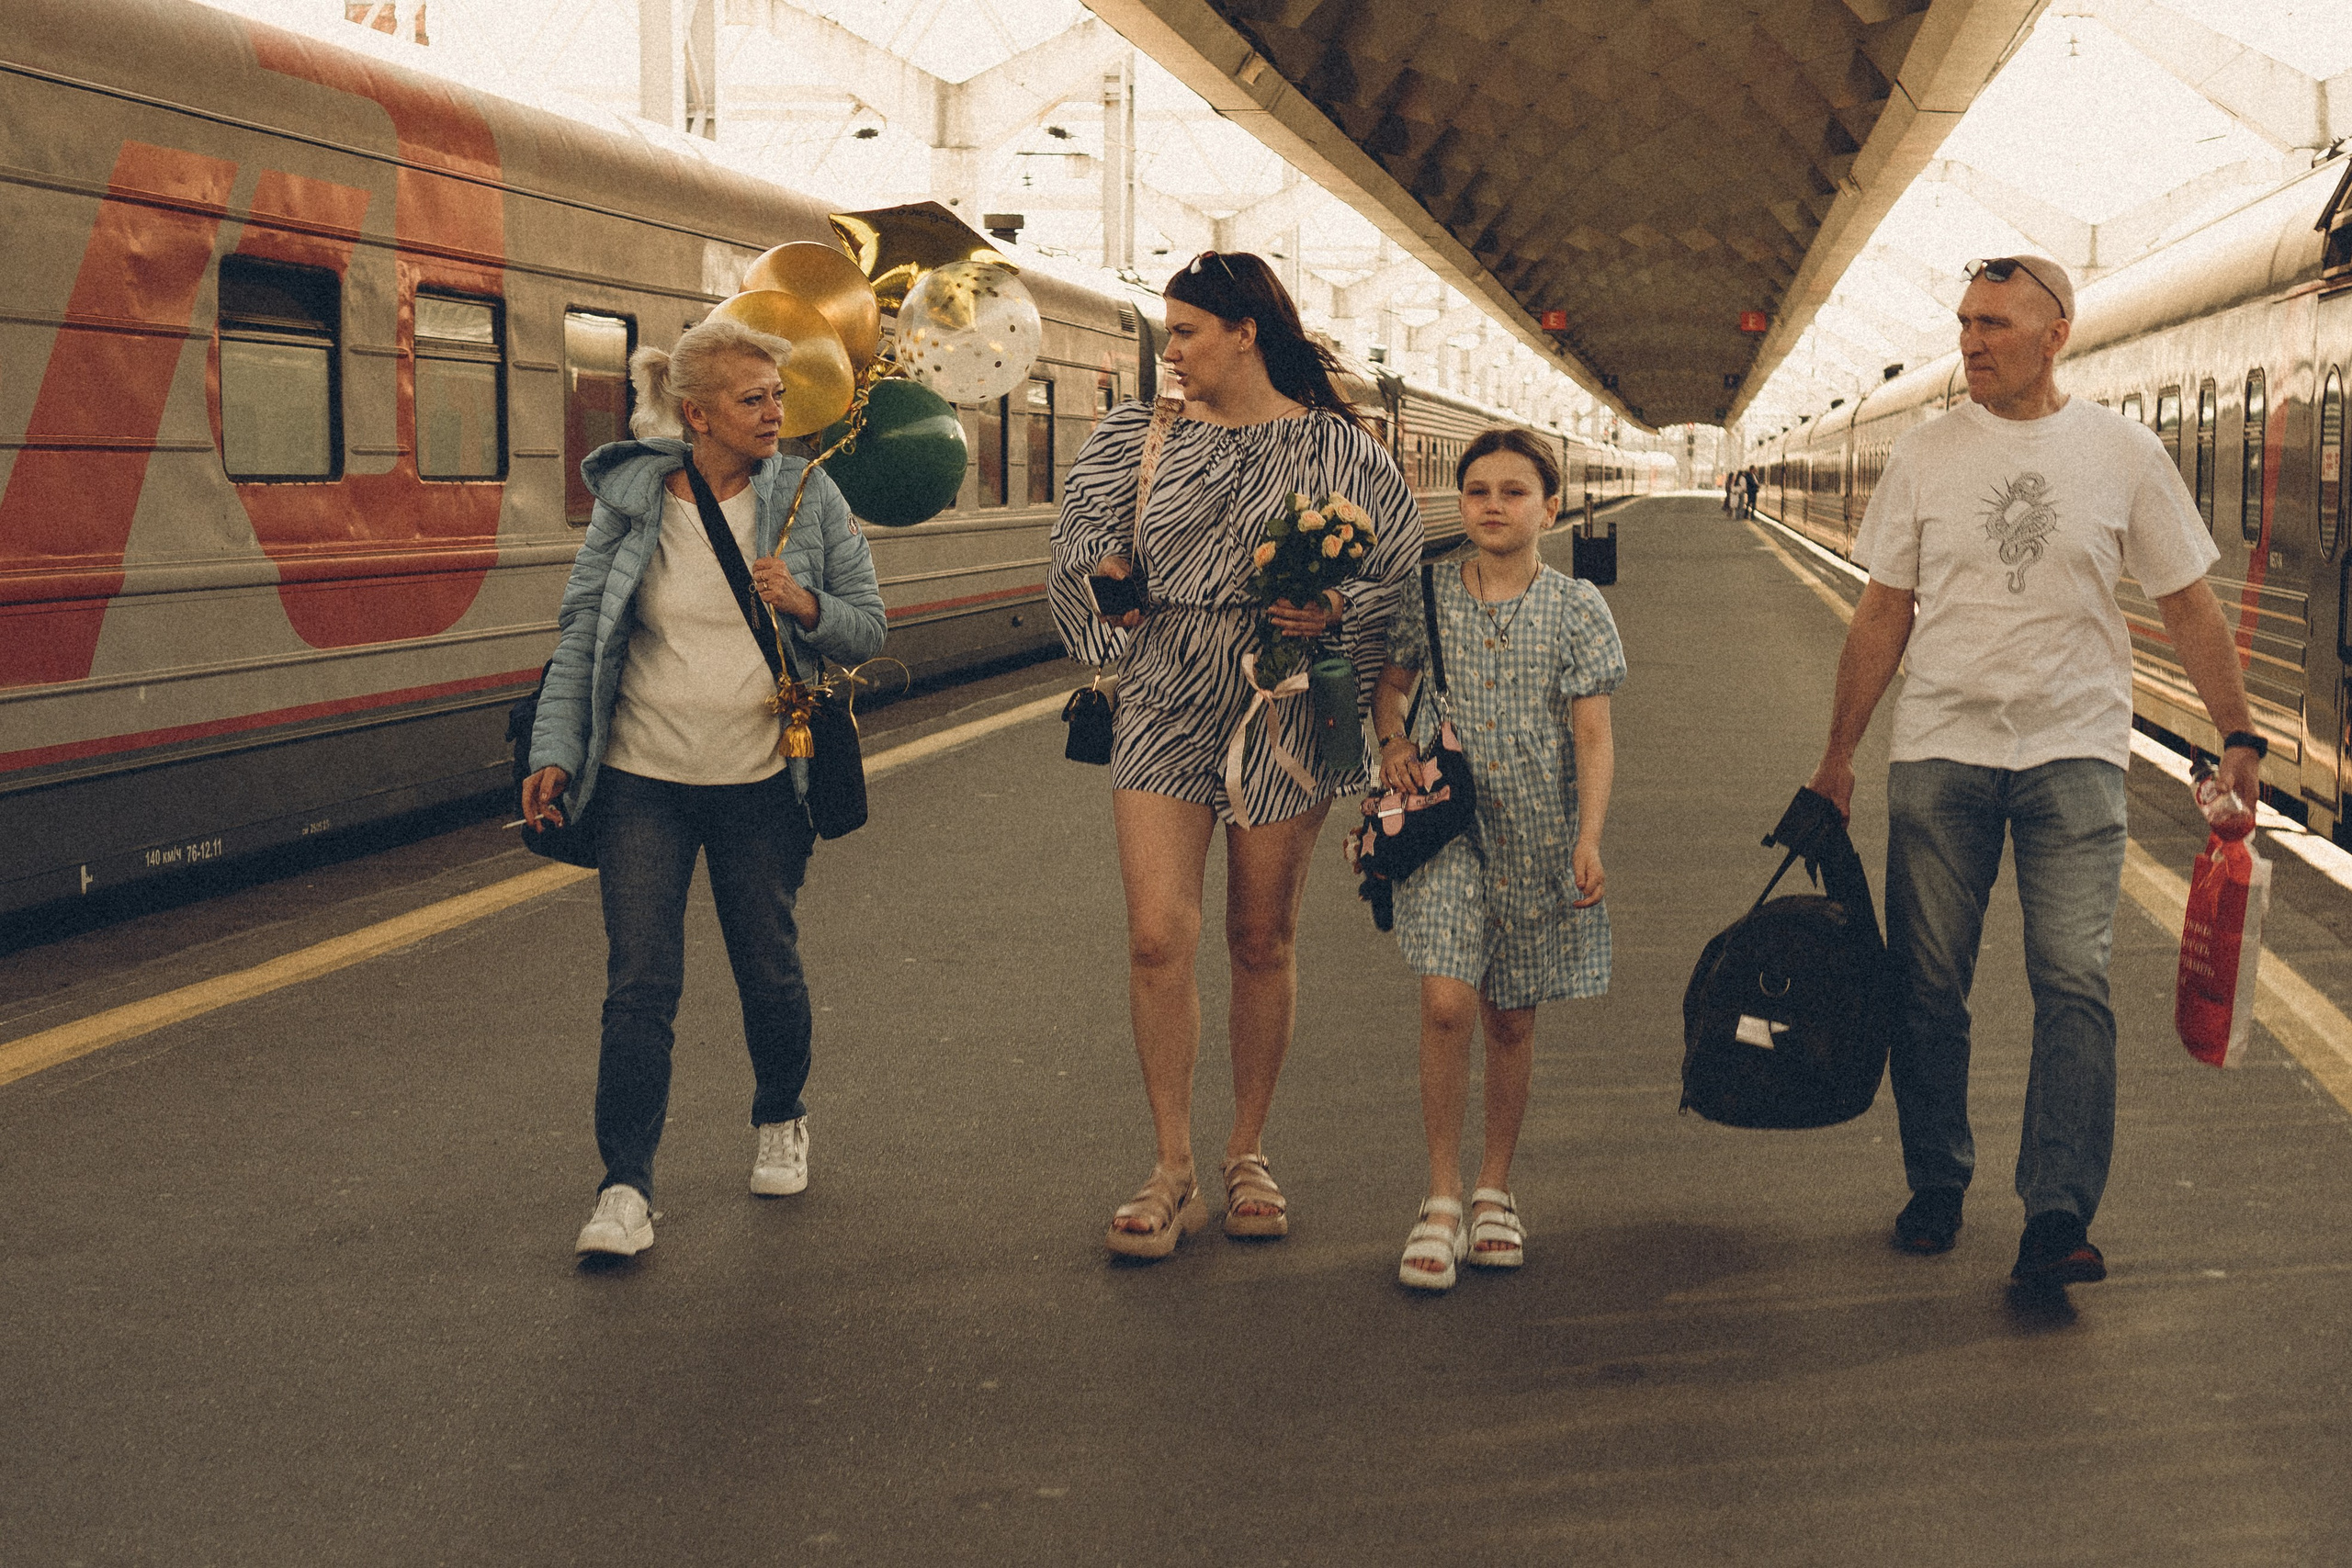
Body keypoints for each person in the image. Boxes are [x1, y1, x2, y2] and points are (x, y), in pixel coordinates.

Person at [1804, 254, 2258, 1290]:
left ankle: (2055, 1213)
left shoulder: (2123, 453)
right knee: (1927, 988)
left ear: (2056, 336)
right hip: (1938, 752)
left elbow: (2184, 601)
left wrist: (2237, 733)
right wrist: (1837, 755)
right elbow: (1884, 611)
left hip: (2074, 753)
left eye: (1995, 324)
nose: (1970, 340)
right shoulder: (1922, 454)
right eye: (1963, 321)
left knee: (2073, 982)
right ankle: (1936, 1182)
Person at [1050, 251, 1422, 1258]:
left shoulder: (1345, 453)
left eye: (1184, 333)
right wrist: (1110, 583)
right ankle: (1170, 1167)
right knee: (1156, 936)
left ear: (1245, 331)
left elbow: (1400, 583)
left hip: (1289, 699)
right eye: (1167, 335)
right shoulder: (1134, 439)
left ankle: (1246, 1150)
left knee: (1261, 938)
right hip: (1168, 688)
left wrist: (1337, 608)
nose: (1168, 354)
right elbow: (1076, 551)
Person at [522, 316, 887, 1258]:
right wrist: (553, 753)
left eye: (777, 396)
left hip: (763, 780)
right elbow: (581, 638)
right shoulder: (633, 501)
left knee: (765, 964)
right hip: (644, 777)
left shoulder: (811, 498)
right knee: (639, 983)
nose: (775, 413)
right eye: (752, 399)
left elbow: (868, 629)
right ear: (696, 414)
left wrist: (804, 602)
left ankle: (780, 1114)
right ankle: (624, 1190)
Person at [1369, 429, 1623, 1291]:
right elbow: (1390, 684)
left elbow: (1593, 733)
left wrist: (1588, 836)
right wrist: (1393, 739)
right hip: (1447, 821)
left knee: (1510, 1013)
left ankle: (1493, 1190)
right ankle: (1440, 1196)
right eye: (1477, 489)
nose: (1492, 504)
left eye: (1514, 492)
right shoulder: (1430, 590)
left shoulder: (1580, 607)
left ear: (1550, 508)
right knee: (1447, 1002)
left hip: (1540, 826)